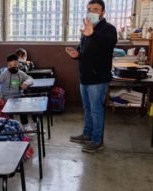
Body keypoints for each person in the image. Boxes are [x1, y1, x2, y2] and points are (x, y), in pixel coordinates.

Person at [65, 0, 117, 153]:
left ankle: (97, 140)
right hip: (85, 77)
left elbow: (110, 43)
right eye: (89, 9)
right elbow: (83, 51)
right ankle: (87, 134)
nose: (91, 11)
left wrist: (93, 33)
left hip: (98, 79)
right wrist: (76, 55)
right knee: (87, 108)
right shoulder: (86, 30)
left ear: (102, 12)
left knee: (96, 109)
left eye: (95, 9)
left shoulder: (108, 29)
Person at [0, 54, 35, 131]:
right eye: (10, 65)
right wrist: (0, 96)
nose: (12, 67)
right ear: (7, 66)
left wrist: (26, 83)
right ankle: (11, 127)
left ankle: (25, 125)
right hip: (7, 98)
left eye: (15, 65)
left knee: (23, 107)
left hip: (18, 96)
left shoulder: (20, 73)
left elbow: (31, 79)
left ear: (18, 64)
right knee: (9, 113)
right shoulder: (5, 74)